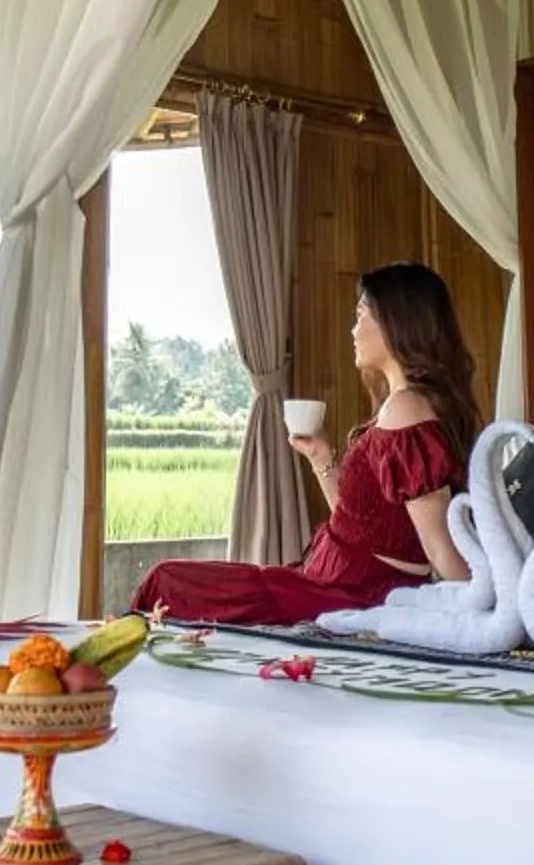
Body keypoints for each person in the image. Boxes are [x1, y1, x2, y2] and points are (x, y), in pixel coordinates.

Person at [131, 262, 480, 626]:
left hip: (344, 594)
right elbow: (361, 527)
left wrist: (489, 609)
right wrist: (321, 456)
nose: (353, 329)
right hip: (323, 581)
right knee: (169, 582)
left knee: (166, 582)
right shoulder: (402, 406)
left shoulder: (406, 408)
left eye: (361, 315)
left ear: (395, 323)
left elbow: (438, 547)